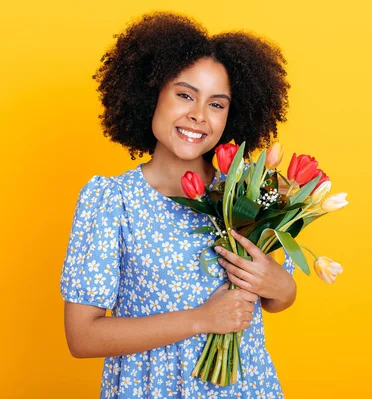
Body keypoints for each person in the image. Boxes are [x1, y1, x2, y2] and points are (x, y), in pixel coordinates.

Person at [59, 11, 297, 398]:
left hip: (246, 388)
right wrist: (202, 319)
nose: (198, 115)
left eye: (217, 104)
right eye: (185, 94)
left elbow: (274, 299)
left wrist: (282, 286)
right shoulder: (112, 201)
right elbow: (82, 337)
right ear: (150, 93)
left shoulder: (244, 193)